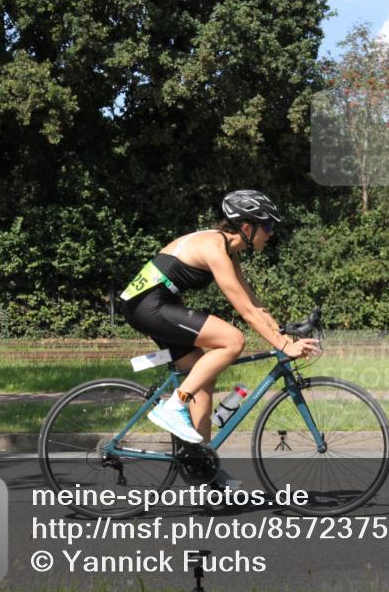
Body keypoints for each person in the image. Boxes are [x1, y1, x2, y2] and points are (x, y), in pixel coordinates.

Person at [119, 190, 321, 480]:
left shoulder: (227, 249)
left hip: (157, 304)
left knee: (202, 379)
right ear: (248, 228)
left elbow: (253, 302)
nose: (272, 233)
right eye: (269, 227)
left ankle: (202, 468)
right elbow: (245, 312)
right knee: (232, 340)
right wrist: (282, 345)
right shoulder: (214, 247)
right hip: (148, 305)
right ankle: (174, 405)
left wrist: (282, 334)